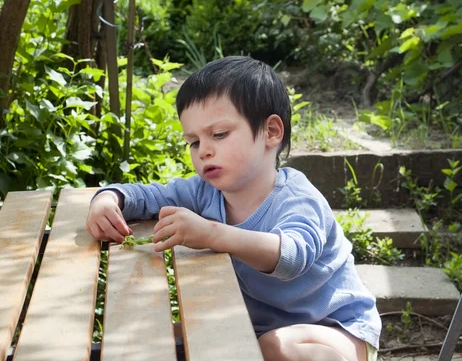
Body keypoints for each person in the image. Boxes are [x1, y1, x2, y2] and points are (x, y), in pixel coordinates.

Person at [85, 56, 381, 361]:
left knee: (277, 348)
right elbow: (146, 195)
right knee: (155, 337)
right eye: (194, 142)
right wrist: (108, 200)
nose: (205, 150)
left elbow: (291, 258)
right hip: (252, 326)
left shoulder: (297, 198)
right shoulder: (205, 192)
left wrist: (212, 235)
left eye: (219, 134)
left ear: (271, 132)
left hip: (336, 330)